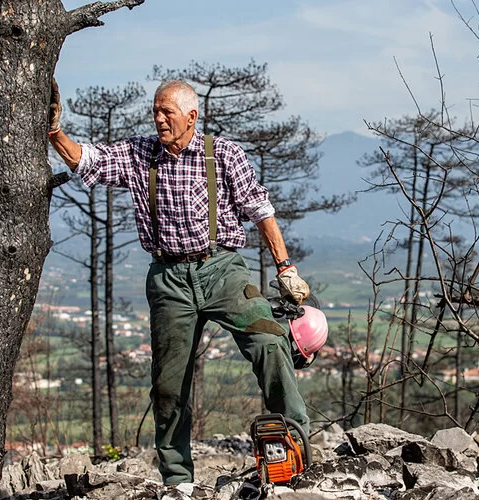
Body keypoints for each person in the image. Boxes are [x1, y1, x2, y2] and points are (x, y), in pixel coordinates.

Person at [47, 78, 311, 485]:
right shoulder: (139, 154)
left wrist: (285, 267)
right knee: (168, 386)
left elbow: (260, 210)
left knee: (270, 341)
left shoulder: (224, 155)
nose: (158, 119)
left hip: (221, 269)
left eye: (166, 111)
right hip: (168, 278)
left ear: (191, 116)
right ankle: (177, 480)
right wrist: (55, 133)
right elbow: (90, 162)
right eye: (155, 111)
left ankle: (294, 448)